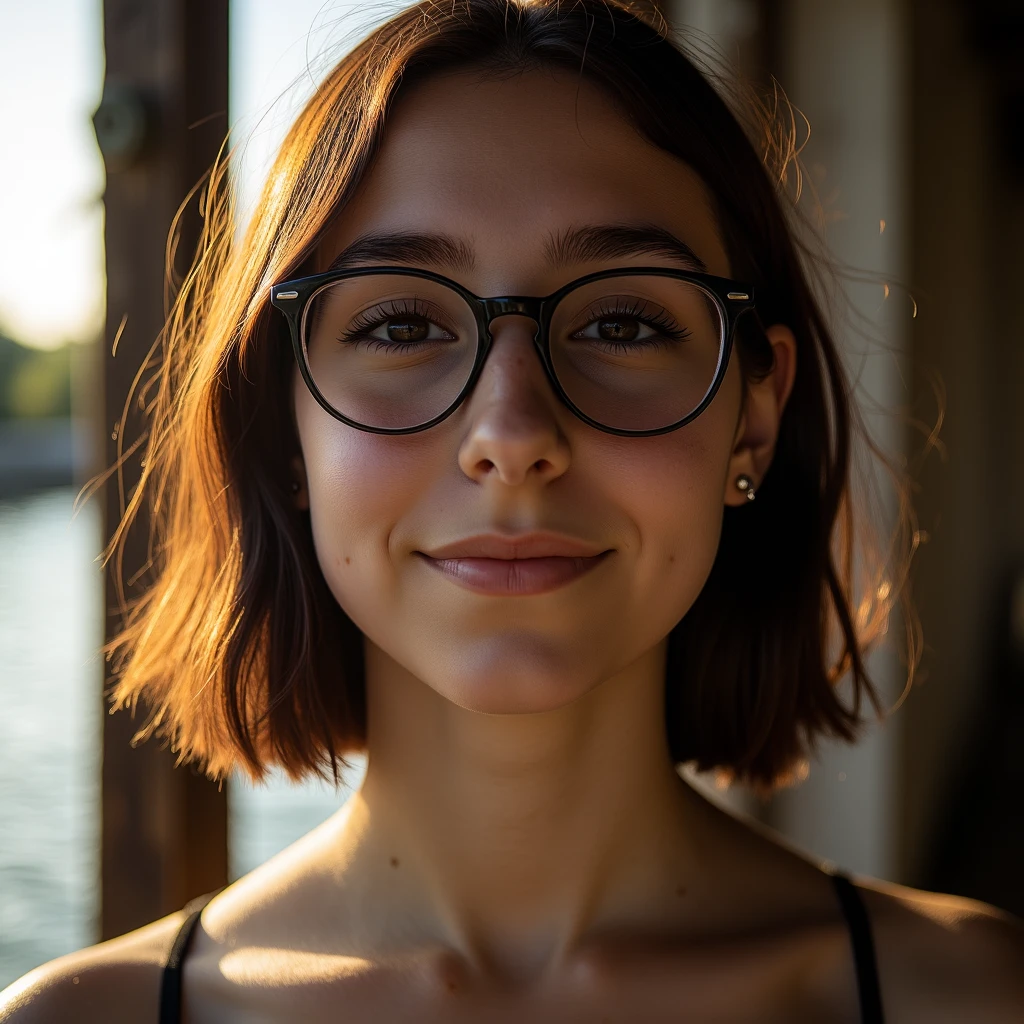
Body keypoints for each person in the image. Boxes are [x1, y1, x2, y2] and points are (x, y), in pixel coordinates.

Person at [3, 0, 1022, 1020]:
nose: (512, 431)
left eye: (622, 321)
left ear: (751, 421)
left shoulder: (972, 996)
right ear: (283, 426)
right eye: (401, 322)